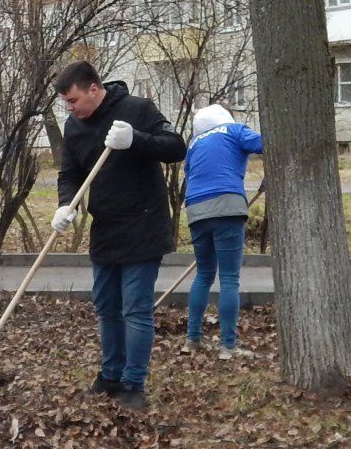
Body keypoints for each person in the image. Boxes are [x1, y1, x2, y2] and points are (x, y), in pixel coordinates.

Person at [51, 61, 185, 410]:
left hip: (143, 224)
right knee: (107, 307)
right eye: (66, 102)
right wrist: (66, 205)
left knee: (135, 309)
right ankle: (110, 376)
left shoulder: (137, 110)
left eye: (73, 99)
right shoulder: (74, 126)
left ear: (93, 89)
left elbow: (175, 147)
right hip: (106, 228)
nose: (70, 107)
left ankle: (132, 384)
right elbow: (70, 173)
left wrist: (135, 140)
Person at [180, 104, 263, 360]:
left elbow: (190, 174)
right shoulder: (235, 130)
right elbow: (265, 143)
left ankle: (192, 338)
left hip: (195, 209)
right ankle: (228, 346)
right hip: (227, 205)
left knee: (203, 275)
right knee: (229, 279)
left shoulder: (194, 144)